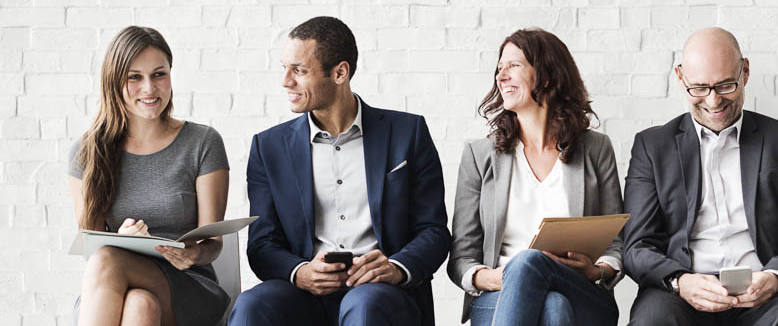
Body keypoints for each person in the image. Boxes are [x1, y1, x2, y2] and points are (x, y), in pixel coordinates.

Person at [229, 16, 450, 326]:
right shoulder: (269, 147)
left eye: (300, 71)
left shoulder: (407, 133)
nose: (286, 82)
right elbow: (262, 244)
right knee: (252, 305)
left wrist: (396, 267)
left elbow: (434, 230)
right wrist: (301, 272)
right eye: (285, 69)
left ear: (340, 73)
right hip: (304, 294)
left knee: (365, 305)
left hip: (380, 293)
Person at [622, 27, 778, 326]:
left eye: (725, 85)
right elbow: (637, 245)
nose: (714, 101)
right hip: (681, 294)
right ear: (680, 77)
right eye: (700, 88)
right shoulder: (653, 146)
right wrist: (681, 281)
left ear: (744, 72)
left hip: (766, 291)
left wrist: (773, 278)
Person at [447, 28, 624, 326]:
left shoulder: (596, 149)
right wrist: (494, 277)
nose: (501, 76)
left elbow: (617, 243)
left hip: (581, 291)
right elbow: (461, 257)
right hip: (499, 295)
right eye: (499, 68)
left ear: (547, 77)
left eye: (513, 66)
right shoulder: (479, 156)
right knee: (552, 306)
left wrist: (597, 271)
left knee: (531, 264)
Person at [69, 26, 231, 326]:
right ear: (114, 82)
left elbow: (214, 242)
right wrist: (120, 240)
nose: (149, 89)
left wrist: (193, 254)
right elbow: (88, 245)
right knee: (139, 305)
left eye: (159, 74)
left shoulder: (202, 142)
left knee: (107, 261)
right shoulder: (88, 151)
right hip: (114, 284)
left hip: (188, 285)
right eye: (135, 77)